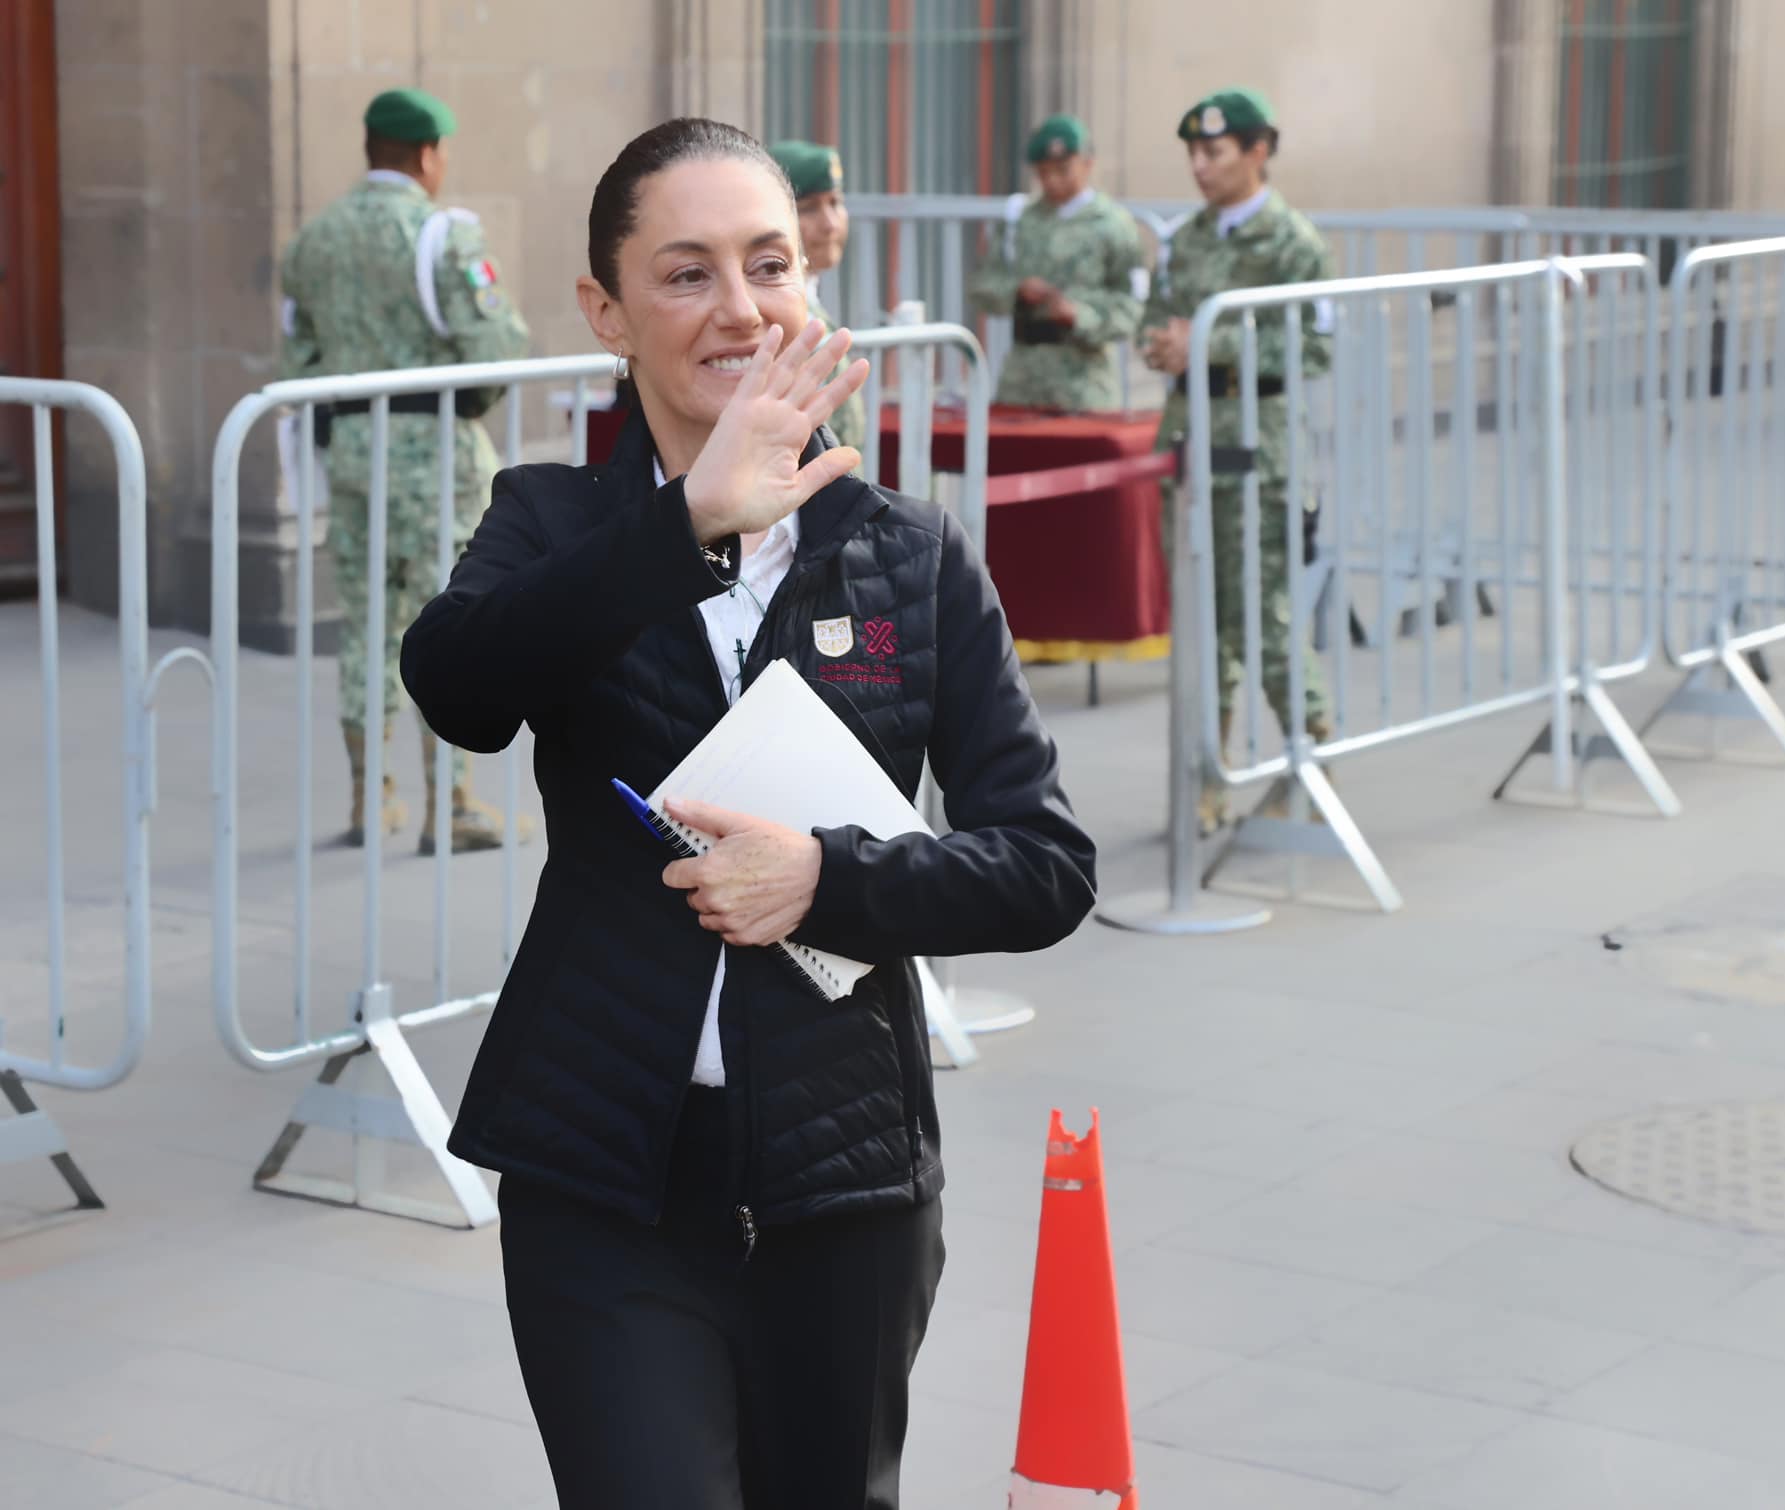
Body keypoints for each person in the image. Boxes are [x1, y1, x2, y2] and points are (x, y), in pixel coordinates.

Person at [399, 117, 1096, 1509]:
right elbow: (458, 686)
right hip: (603, 1173)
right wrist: (681, 527)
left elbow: (1044, 864)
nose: (740, 307)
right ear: (606, 311)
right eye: (686, 272)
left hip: (845, 1183)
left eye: (769, 264)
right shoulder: (551, 521)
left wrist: (826, 879)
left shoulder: (909, 553)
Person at [280, 87, 531, 853]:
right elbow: (498, 346)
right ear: (427, 154)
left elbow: (298, 357)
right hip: (436, 454)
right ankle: (450, 805)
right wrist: (468, 401)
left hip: (354, 453)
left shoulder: (313, 241)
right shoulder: (442, 235)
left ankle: (370, 798)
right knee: (448, 625)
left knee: (364, 625)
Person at [1139, 87, 1334, 834]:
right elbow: (1154, 317)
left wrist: (1209, 341)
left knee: (1263, 612)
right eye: (1193, 151)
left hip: (1260, 447)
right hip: (1191, 441)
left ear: (1258, 151)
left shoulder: (1293, 242)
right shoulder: (1186, 240)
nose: (1199, 165)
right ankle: (1207, 778)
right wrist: (1162, 343)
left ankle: (1311, 757)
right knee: (1198, 620)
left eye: (1214, 151)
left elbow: (1314, 344)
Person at [968, 113, 1151, 412]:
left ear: (1087, 164)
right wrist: (1018, 291)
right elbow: (982, 285)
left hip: (1086, 381)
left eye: (1063, 170)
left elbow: (1132, 306)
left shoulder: (1114, 225)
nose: (1053, 180)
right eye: (1044, 172)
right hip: (1022, 379)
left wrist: (1079, 315)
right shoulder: (1019, 221)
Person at [768, 139, 866, 447]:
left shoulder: (810, 299)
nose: (830, 224)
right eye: (808, 209)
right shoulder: (770, 316)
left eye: (835, 203)